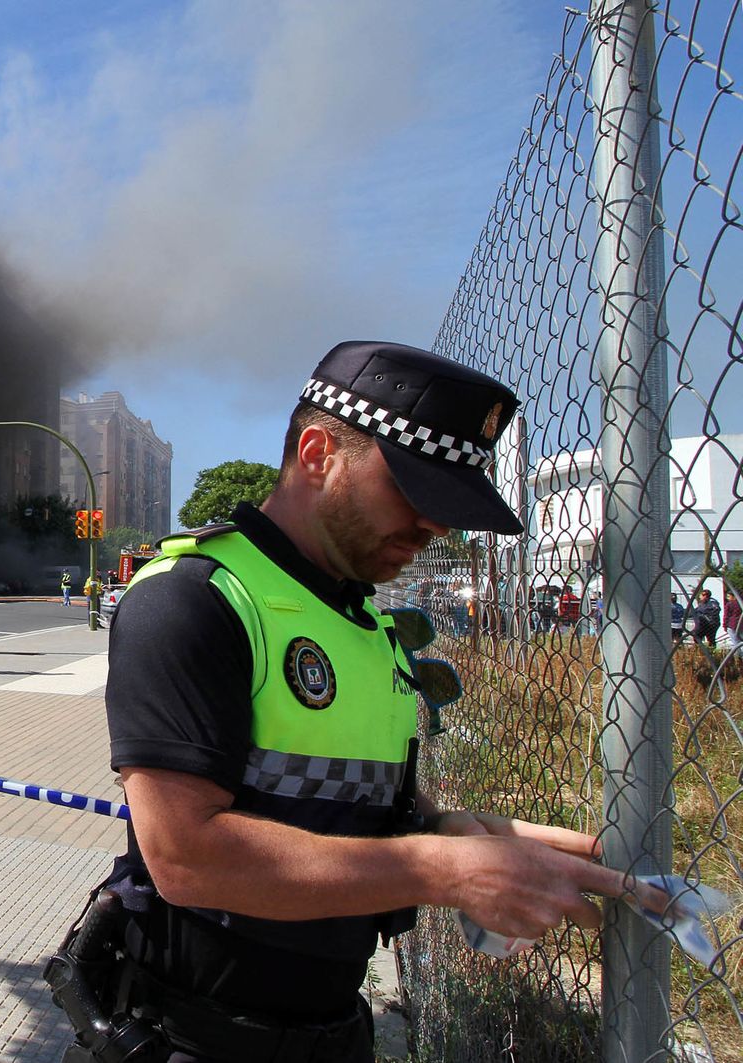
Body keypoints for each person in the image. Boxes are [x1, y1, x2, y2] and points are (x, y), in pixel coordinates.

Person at [64, 342, 660, 1063]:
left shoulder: (366, 623)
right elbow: (187, 857)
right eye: (414, 492)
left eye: (448, 506)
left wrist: (445, 827)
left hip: (336, 1030)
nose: (436, 527)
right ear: (318, 454)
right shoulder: (195, 599)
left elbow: (340, 792)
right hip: (188, 1037)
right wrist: (444, 869)